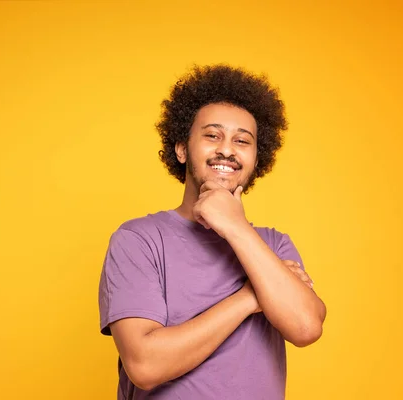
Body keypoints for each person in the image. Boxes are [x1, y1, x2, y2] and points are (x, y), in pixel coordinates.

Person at [98, 64, 327, 400]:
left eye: (242, 141)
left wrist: (235, 226)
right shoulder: (139, 240)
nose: (227, 150)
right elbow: (145, 367)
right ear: (181, 149)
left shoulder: (274, 244)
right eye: (212, 135)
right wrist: (250, 298)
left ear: (255, 158)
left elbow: (307, 327)